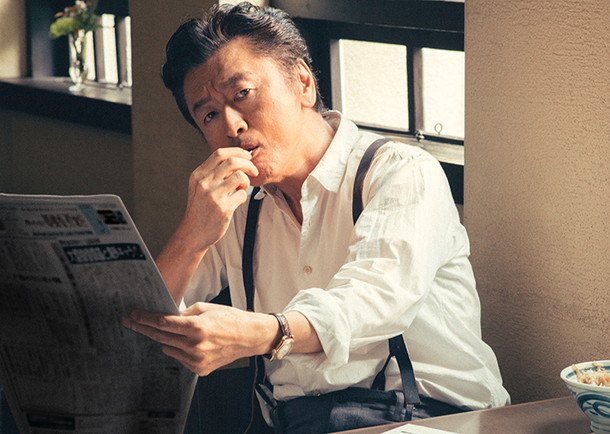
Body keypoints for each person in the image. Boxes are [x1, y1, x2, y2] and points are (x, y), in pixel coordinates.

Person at [122, 2, 510, 432]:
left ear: (303, 83)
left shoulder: (400, 173)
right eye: (209, 114)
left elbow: (372, 300)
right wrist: (192, 234)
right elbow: (141, 328)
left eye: (242, 94)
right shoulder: (236, 205)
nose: (231, 125)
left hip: (432, 417)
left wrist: (262, 333)